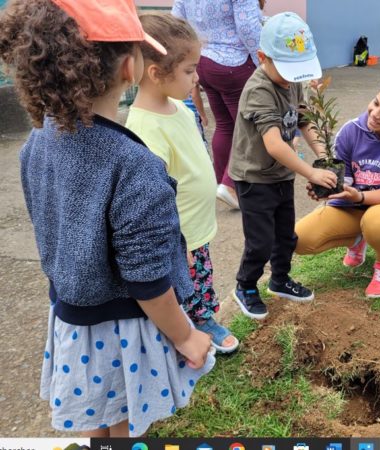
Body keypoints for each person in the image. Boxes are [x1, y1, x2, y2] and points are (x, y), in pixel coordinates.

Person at [0, 0, 215, 437]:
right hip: (122, 330)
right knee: (124, 425)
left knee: (96, 418)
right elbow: (148, 280)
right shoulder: (135, 165)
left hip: (70, 316)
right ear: (128, 69)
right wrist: (185, 336)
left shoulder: (38, 142)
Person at [126, 13, 239, 354]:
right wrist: (175, 242)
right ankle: (183, 333)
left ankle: (202, 320)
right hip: (178, 235)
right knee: (182, 286)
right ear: (156, 73)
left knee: (201, 281)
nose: (197, 77)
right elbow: (153, 198)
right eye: (190, 70)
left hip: (196, 228)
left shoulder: (179, 107)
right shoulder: (144, 129)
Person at [228, 12, 337, 320]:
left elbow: (304, 119)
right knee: (260, 241)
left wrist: (320, 153)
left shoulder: (291, 82)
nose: (293, 77)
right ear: (263, 57)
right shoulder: (258, 89)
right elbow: (274, 144)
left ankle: (279, 279)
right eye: (288, 69)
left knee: (285, 235)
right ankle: (246, 285)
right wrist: (311, 171)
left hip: (280, 174)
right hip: (254, 177)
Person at [296, 77, 380, 298]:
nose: (375, 113)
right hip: (351, 205)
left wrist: (361, 197)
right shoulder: (351, 130)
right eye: (376, 103)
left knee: (377, 223)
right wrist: (327, 187)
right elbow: (344, 178)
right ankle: (358, 238)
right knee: (300, 240)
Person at [172, 0, 263, 210]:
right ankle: (230, 186)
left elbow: (176, 21)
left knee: (224, 125)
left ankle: (220, 183)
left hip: (203, 61)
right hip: (234, 62)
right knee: (248, 128)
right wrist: (263, 62)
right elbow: (248, 27)